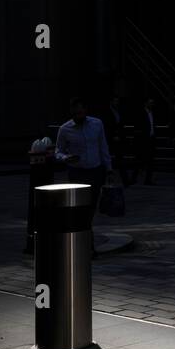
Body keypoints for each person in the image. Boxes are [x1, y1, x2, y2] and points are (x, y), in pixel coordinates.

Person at [54, 97, 114, 255]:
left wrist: (109, 168)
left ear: (86, 111)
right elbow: (58, 150)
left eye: (81, 112)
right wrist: (65, 158)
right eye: (75, 113)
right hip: (77, 172)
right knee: (80, 209)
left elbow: (103, 146)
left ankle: (86, 242)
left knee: (90, 208)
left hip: (95, 171)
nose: (78, 115)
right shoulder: (65, 129)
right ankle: (87, 244)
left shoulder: (97, 124)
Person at [129, 98, 157, 185]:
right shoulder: (141, 113)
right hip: (143, 140)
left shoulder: (152, 113)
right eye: (150, 103)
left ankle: (147, 180)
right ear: (145, 104)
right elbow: (137, 127)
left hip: (150, 139)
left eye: (152, 103)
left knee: (150, 161)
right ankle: (133, 179)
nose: (152, 105)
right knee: (139, 160)